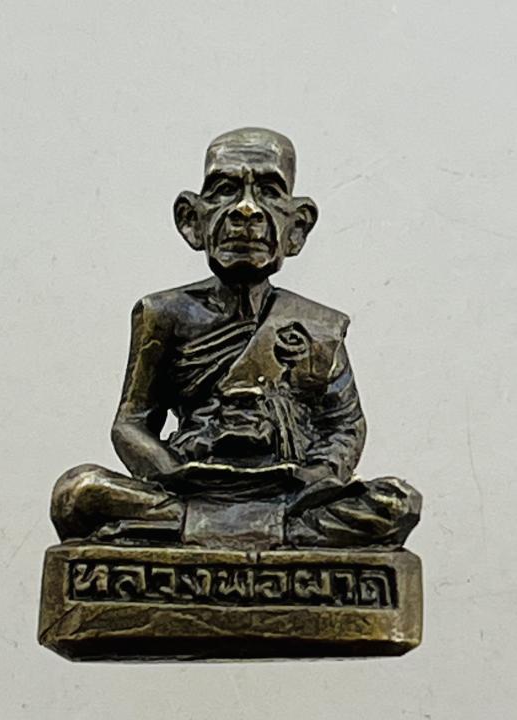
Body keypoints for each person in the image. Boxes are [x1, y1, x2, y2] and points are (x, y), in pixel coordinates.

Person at [51, 128, 421, 549]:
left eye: (268, 192)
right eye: (225, 190)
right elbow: (132, 422)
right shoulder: (163, 313)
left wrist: (317, 476)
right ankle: (271, 532)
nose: (246, 210)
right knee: (77, 493)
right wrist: (171, 471)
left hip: (289, 491)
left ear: (297, 226)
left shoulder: (318, 324)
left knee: (396, 502)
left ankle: (214, 527)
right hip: (191, 483)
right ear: (191, 219)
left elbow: (344, 424)